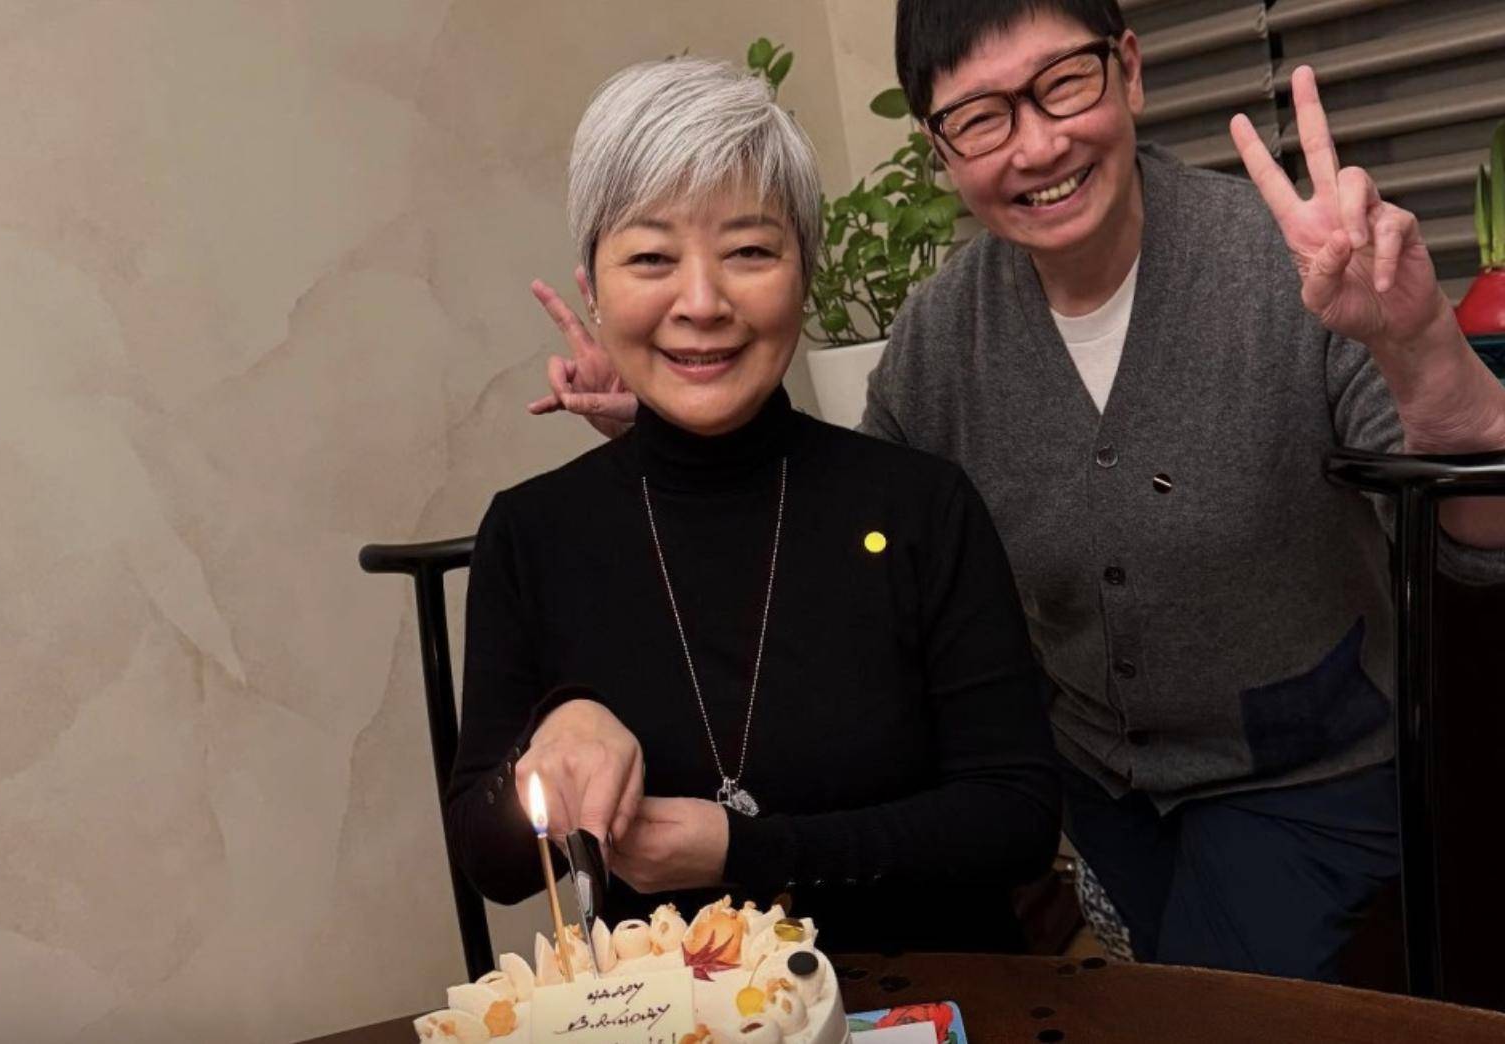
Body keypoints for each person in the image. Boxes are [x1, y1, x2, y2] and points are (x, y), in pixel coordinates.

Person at [525, 2, 1505, 981]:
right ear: (941, 151)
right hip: (1097, 800)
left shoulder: (1288, 267)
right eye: (980, 118)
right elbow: (845, 523)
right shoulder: (942, 338)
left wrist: (1416, 343)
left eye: (1063, 84)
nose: (1034, 146)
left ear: (1128, 70)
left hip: (1305, 780)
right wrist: (675, 410)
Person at [448, 56, 1063, 956]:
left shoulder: (921, 506)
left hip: (927, 1001)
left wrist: (746, 849)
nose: (702, 303)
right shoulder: (534, 533)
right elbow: (490, 859)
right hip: (672, 1014)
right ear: (593, 288)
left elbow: (1015, 819)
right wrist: (557, 724)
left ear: (804, 273)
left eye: (749, 252)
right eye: (651, 258)